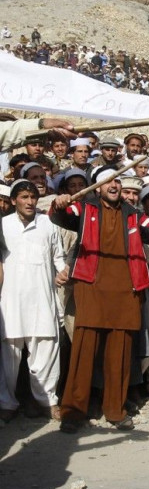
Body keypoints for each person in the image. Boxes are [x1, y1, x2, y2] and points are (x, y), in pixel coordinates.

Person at [50, 168, 149, 432]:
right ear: (97, 188)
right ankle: (73, 412)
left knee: (120, 353)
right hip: (91, 288)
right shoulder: (83, 208)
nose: (113, 185)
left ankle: (115, 411)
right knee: (84, 352)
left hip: (126, 292)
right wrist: (59, 204)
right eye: (107, 181)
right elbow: (60, 216)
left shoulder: (134, 216)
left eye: (117, 180)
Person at [0, 180, 65, 422]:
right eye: (24, 197)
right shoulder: (3, 225)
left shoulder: (48, 224)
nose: (30, 202)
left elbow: (58, 257)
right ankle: (7, 402)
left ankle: (47, 400)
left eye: (33, 197)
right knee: (9, 354)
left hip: (41, 297)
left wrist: (62, 271)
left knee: (46, 349)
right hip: (10, 298)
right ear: (14, 199)